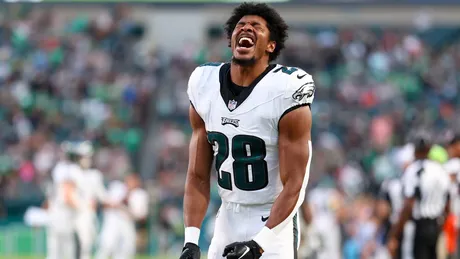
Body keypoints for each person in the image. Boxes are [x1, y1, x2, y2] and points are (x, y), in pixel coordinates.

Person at [180, 3, 315, 259]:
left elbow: (295, 183)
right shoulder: (203, 84)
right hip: (228, 214)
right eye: (241, 25)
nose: (246, 28)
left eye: (256, 26)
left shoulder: (286, 89)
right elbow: (197, 175)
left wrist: (259, 243)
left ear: (271, 45)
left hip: (272, 218)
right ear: (231, 41)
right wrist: (191, 241)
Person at [387, 131, 451, 259]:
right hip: (436, 225)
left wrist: (395, 233)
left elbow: (408, 204)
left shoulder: (413, 170)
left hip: (418, 227)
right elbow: (447, 202)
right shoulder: (441, 171)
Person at [96, 174, 149, 259]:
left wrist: (128, 210)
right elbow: (106, 204)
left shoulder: (140, 195)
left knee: (127, 248)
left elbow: (142, 216)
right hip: (112, 221)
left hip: (128, 223)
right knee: (107, 246)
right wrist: (118, 204)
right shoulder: (116, 188)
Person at [71, 141, 108, 259]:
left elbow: (102, 195)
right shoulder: (72, 172)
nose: (86, 159)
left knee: (88, 243)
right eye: (83, 156)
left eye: (88, 157)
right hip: (73, 212)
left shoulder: (95, 175)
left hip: (88, 213)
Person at [46, 141, 81, 259]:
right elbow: (66, 190)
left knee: (59, 246)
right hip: (62, 210)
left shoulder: (69, 168)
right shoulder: (62, 168)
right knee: (62, 245)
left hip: (61, 209)